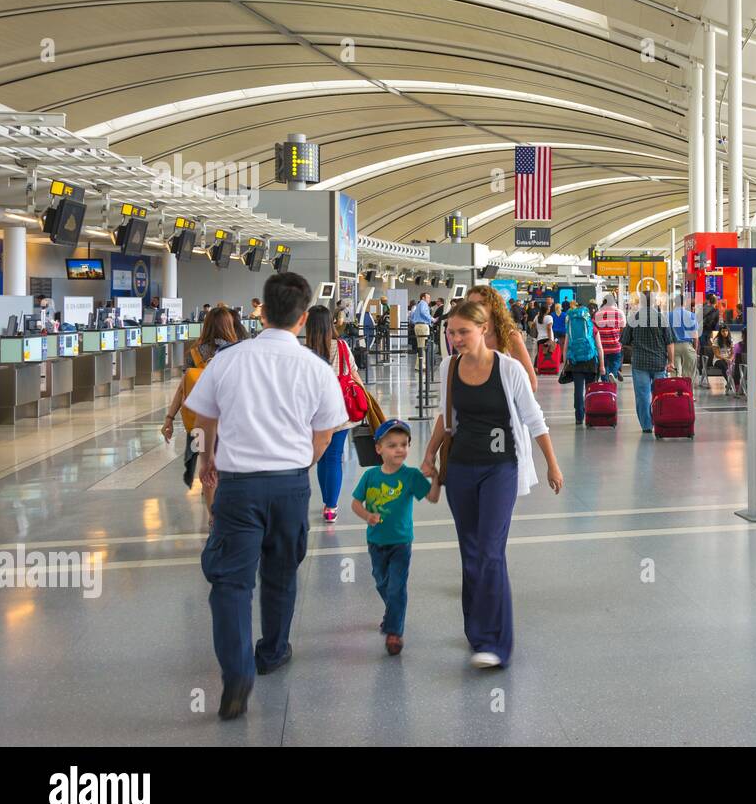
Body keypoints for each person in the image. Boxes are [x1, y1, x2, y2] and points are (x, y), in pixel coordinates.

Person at [183, 272, 349, 719]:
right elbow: (326, 432)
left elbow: (206, 417)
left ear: (262, 311)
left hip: (238, 487)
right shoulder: (315, 367)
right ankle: (273, 650)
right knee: (280, 571)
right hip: (289, 484)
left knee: (231, 581)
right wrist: (301, 466)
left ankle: (237, 674)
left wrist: (207, 461)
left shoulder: (229, 360)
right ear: (301, 317)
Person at [420, 301, 563, 668]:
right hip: (462, 468)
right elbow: (446, 416)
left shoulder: (509, 369)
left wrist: (552, 464)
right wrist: (429, 456)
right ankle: (477, 632)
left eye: (463, 332)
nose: (455, 339)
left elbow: (534, 418)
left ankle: (496, 643)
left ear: (483, 330)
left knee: (490, 551)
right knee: (470, 552)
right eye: (451, 333)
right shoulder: (448, 367)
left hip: (501, 468)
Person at [351, 418, 432, 656]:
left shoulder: (410, 476)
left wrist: (433, 476)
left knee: (397, 587)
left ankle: (394, 632)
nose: (400, 449)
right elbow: (355, 503)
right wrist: (367, 516)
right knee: (381, 582)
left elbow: (432, 496)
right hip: (376, 541)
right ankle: (393, 611)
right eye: (393, 445)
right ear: (378, 449)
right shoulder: (371, 476)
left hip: (401, 542)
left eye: (404, 444)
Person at [161, 306, 239, 511]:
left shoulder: (194, 353)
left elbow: (182, 388)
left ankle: (212, 514)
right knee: (228, 465)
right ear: (229, 326)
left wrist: (169, 418)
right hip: (230, 419)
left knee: (206, 465)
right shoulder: (237, 351)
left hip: (200, 418)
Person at [305, 304, 360, 524]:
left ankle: (327, 501)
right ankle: (331, 506)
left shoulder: (306, 350)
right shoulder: (342, 346)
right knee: (335, 457)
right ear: (330, 324)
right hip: (341, 409)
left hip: (315, 412)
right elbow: (354, 374)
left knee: (321, 457)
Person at [465, 285, 538, 393]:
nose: (475, 309)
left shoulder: (510, 337)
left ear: (494, 307)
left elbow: (531, 384)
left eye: (481, 304)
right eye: (471, 305)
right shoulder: (468, 338)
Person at [621, 294, 676, 433]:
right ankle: (659, 420)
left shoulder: (634, 318)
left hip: (640, 363)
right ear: (654, 302)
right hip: (659, 363)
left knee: (642, 396)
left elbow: (624, 340)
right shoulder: (661, 318)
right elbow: (669, 342)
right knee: (659, 395)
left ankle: (646, 426)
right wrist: (671, 361)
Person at [562, 300, 605, 425]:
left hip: (575, 362)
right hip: (590, 361)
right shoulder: (593, 327)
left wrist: (565, 365)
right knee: (590, 390)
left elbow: (565, 348)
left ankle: (579, 417)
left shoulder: (571, 327)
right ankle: (590, 416)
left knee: (578, 390)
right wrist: (601, 365)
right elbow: (599, 348)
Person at [667, 295, 700, 382]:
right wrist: (695, 350)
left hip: (673, 347)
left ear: (674, 303)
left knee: (675, 374)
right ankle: (687, 394)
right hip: (687, 346)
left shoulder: (668, 316)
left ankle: (676, 393)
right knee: (689, 375)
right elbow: (695, 336)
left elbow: (665, 334)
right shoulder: (691, 315)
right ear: (685, 303)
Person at [594, 295, 627, 381]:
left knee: (604, 366)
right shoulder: (619, 313)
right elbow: (623, 328)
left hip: (602, 346)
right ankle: (613, 373)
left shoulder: (597, 313)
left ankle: (606, 384)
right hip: (615, 345)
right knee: (616, 362)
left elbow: (594, 330)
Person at [410, 292, 433, 371]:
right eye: (428, 297)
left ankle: (419, 365)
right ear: (423, 298)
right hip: (422, 326)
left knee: (421, 346)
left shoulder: (418, 305)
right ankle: (421, 366)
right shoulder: (423, 303)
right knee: (423, 346)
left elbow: (412, 316)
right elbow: (424, 312)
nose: (429, 299)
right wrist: (432, 319)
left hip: (418, 325)